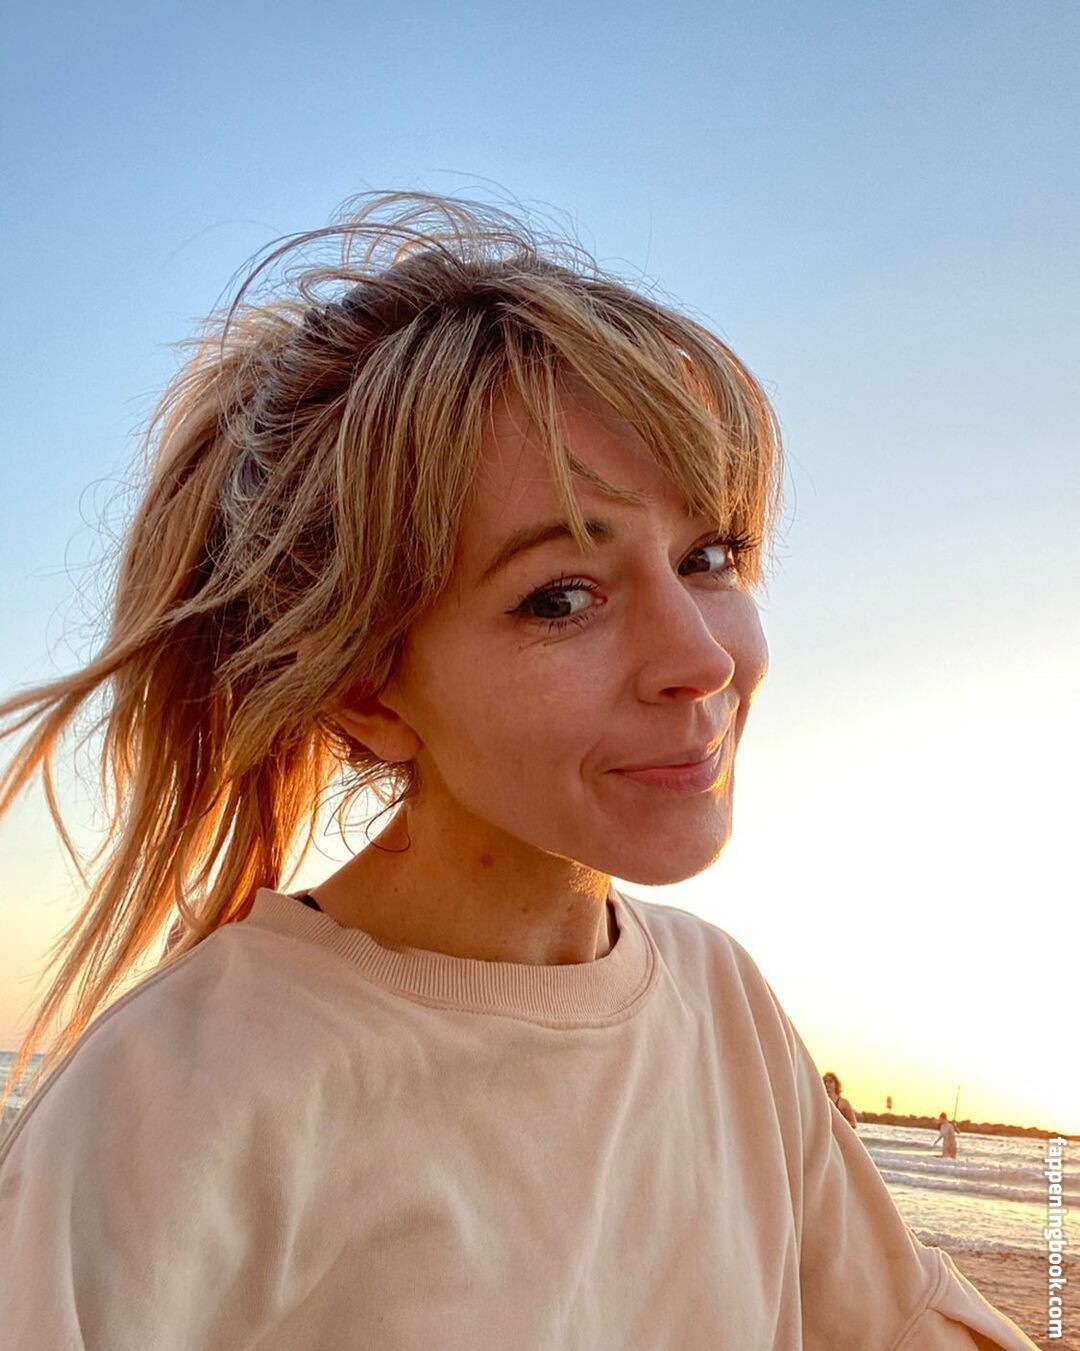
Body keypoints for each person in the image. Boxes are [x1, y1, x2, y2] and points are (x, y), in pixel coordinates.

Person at [0, 192, 1037, 1349]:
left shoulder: (723, 1005)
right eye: (561, 596)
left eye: (708, 555)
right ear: (366, 690)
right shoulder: (170, 1104)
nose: (701, 661)